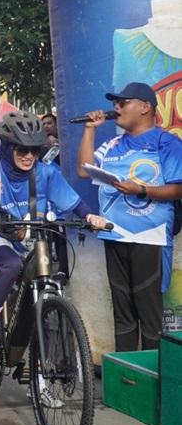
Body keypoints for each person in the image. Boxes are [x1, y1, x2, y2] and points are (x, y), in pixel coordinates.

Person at [0, 112, 109, 406]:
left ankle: (38, 381)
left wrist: (90, 217)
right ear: (7, 148)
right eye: (22, 150)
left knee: (44, 301)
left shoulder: (46, 173)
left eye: (34, 150)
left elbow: (75, 203)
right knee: (11, 265)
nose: (29, 156)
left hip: (33, 240)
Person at [78, 82, 182, 351]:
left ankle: (154, 375)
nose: (117, 108)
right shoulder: (112, 144)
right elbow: (83, 171)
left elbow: (178, 188)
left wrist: (142, 190)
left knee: (149, 316)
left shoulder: (166, 142)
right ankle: (125, 374)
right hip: (115, 234)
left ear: (145, 107)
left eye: (123, 103)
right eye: (116, 103)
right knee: (122, 316)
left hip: (150, 236)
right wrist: (89, 130)